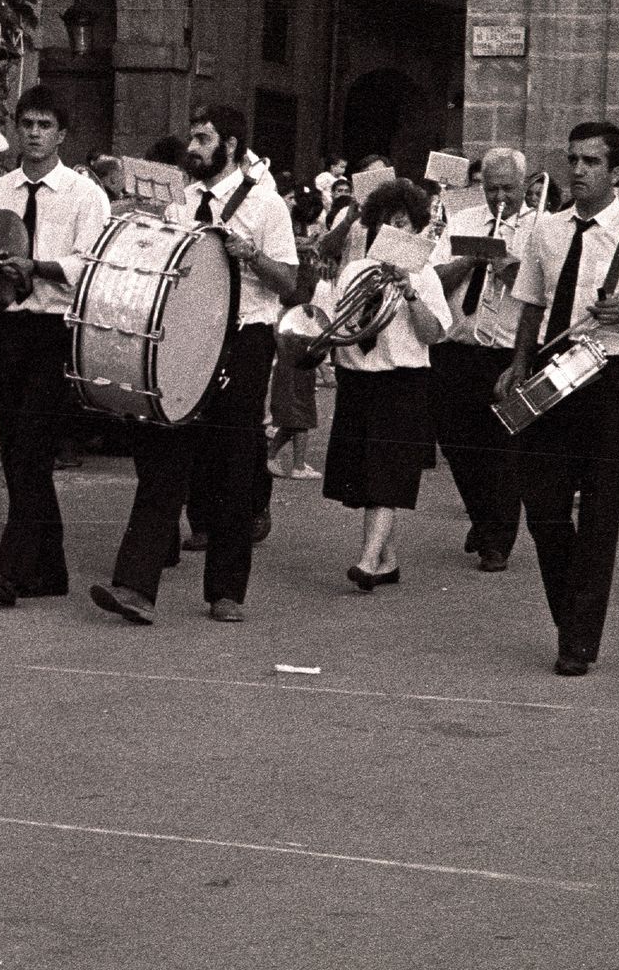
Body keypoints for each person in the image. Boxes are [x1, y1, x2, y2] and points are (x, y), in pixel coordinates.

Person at [95, 106, 304, 626]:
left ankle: (227, 592)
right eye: (192, 137)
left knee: (233, 464)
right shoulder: (182, 202)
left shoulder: (266, 203)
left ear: (229, 145)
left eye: (203, 138)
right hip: (187, 338)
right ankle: (135, 586)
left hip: (246, 339)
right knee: (165, 453)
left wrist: (251, 255)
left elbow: (290, 283)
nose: (192, 147)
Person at [499, 123, 619, 676]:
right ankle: (571, 616)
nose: (578, 170)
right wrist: (518, 363)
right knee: (544, 509)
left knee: (601, 513)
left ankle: (578, 638)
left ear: (616, 172)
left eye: (592, 162)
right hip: (552, 372)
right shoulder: (547, 230)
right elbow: (532, 304)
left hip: (613, 378)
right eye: (573, 159)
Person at [0, 91, 109, 606]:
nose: (33, 133)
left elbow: (90, 265)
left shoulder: (84, 194)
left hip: (54, 331)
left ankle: (11, 571)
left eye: (45, 125)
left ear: (62, 135)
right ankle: (51, 571)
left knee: (32, 451)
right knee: (17, 454)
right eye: (27, 123)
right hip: (6, 328)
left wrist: (38, 267)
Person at [317, 180, 451, 590]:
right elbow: (334, 325)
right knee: (367, 475)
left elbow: (433, 334)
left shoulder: (425, 276)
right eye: (388, 223)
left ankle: (367, 561)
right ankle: (387, 560)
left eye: (404, 224)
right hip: (358, 379)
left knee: (386, 474)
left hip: (402, 381)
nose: (396, 231)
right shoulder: (355, 271)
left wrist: (410, 294)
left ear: (417, 227)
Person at [430, 146, 531, 572]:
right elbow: (433, 279)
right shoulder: (463, 220)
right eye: (491, 189)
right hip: (457, 347)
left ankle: (497, 541)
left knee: (501, 451)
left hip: (506, 351)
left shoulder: (539, 227)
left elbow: (543, 293)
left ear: (524, 185)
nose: (499, 197)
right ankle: (483, 517)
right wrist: (471, 258)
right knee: (457, 444)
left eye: (508, 188)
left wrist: (507, 266)